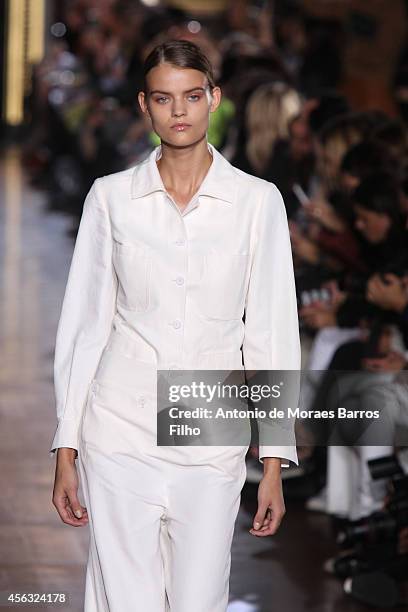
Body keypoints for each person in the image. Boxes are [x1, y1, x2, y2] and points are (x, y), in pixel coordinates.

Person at [50, 39, 301, 612]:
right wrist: (66, 446)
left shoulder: (256, 202)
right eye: (164, 98)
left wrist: (273, 462)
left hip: (210, 434)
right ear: (144, 105)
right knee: (126, 600)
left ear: (214, 99)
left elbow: (271, 333)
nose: (179, 111)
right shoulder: (111, 199)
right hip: (117, 430)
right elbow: (84, 326)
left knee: (198, 599)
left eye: (192, 96)